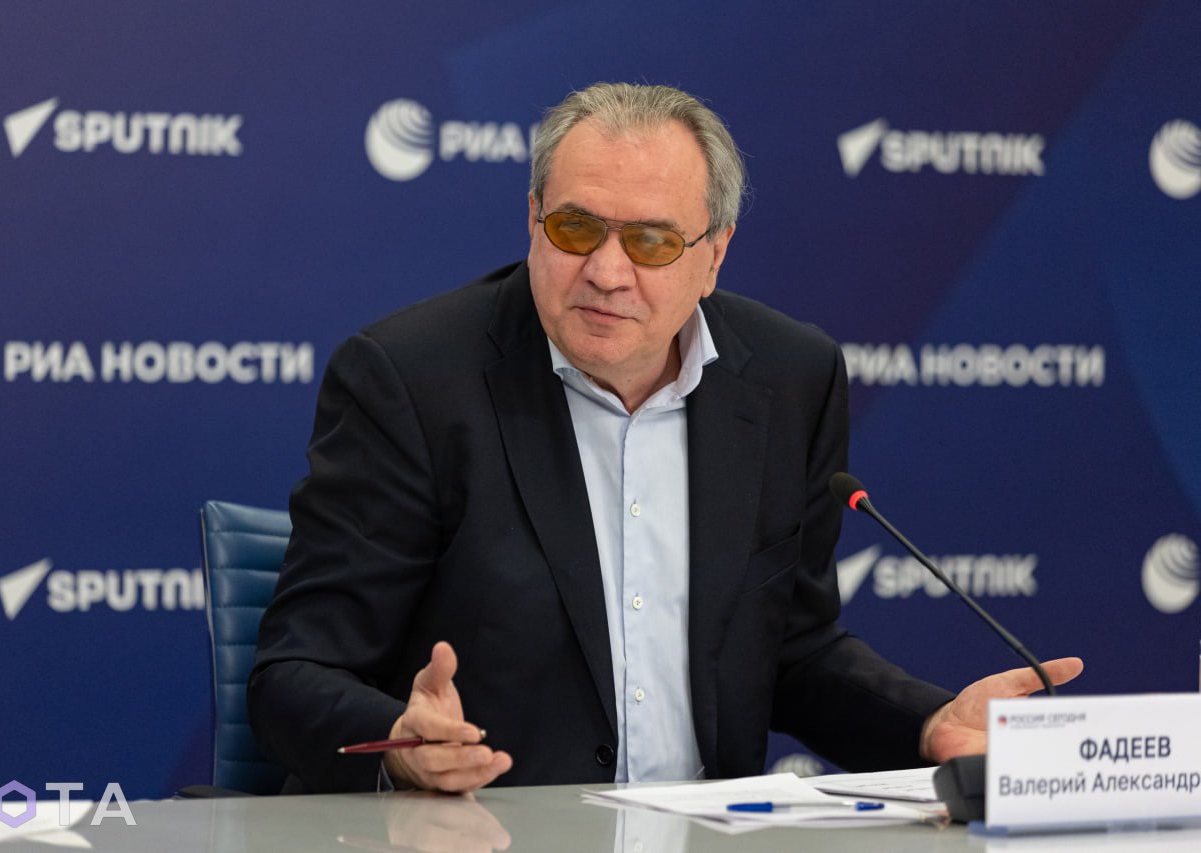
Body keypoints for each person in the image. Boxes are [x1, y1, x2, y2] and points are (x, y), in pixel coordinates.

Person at [248, 82, 1081, 795]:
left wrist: (927, 722)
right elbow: (293, 673)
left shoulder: (789, 377)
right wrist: (400, 746)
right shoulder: (411, 380)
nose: (607, 272)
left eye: (651, 241)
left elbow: (790, 650)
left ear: (713, 256)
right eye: (576, 229)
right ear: (532, 220)